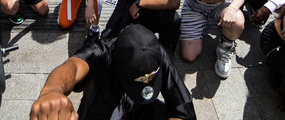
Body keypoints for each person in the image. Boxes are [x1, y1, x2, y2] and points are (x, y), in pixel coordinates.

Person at [30, 24, 196, 119]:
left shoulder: (155, 53)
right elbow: (72, 67)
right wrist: (52, 90)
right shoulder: (102, 52)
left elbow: (183, 107)